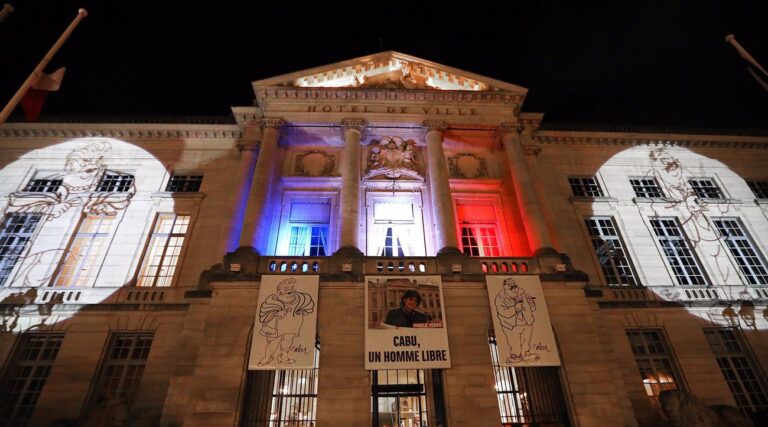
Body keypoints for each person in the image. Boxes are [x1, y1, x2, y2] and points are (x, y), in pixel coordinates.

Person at [257, 278, 315, 366]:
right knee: (274, 341)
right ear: (280, 292)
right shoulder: (273, 299)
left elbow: (307, 304)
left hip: (293, 320)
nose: (292, 293)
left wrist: (302, 311)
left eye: (292, 290)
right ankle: (267, 357)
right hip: (277, 323)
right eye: (289, 292)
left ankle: (284, 356)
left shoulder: (299, 298)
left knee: (288, 339)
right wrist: (277, 312)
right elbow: (266, 310)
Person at [495, 278, 539, 364]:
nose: (513, 285)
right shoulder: (501, 297)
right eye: (509, 284)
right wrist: (515, 308)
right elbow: (502, 311)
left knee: (526, 339)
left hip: (526, 320)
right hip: (511, 323)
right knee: (513, 340)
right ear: (504, 286)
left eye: (513, 283)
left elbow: (532, 308)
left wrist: (531, 303)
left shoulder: (523, 294)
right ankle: (515, 355)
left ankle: (525, 353)